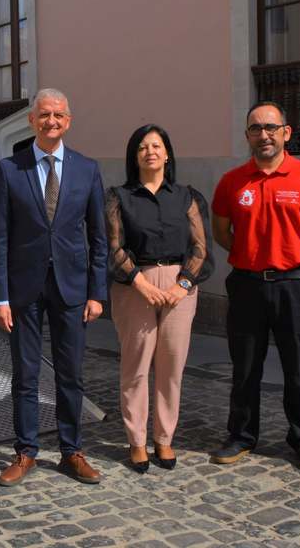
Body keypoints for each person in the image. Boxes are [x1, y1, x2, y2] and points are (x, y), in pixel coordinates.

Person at [210, 101, 300, 473]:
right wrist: (251, 255)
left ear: (286, 133)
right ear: (247, 136)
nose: (264, 135)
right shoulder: (232, 181)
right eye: (256, 128)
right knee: (245, 367)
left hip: (296, 287)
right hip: (247, 286)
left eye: (271, 127)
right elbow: (221, 231)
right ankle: (241, 436)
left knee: (299, 369)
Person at [0, 88, 108, 486]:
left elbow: (99, 238)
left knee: (70, 374)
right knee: (25, 374)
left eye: (58, 115)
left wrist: (97, 292)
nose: (51, 121)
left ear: (68, 121)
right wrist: (0, 297)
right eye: (44, 114)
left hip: (72, 289)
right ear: (31, 120)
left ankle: (72, 451)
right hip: (23, 290)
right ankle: (26, 452)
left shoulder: (87, 169)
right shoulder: (10, 170)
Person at [106, 124, 214, 473]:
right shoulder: (118, 197)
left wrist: (182, 285)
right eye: (142, 147)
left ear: (167, 154)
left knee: (171, 366)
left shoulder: (187, 197)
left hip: (179, 286)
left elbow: (200, 247)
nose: (150, 151)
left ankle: (164, 438)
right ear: (134, 156)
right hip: (133, 285)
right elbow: (113, 247)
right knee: (135, 366)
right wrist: (140, 282)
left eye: (156, 146)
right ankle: (137, 441)